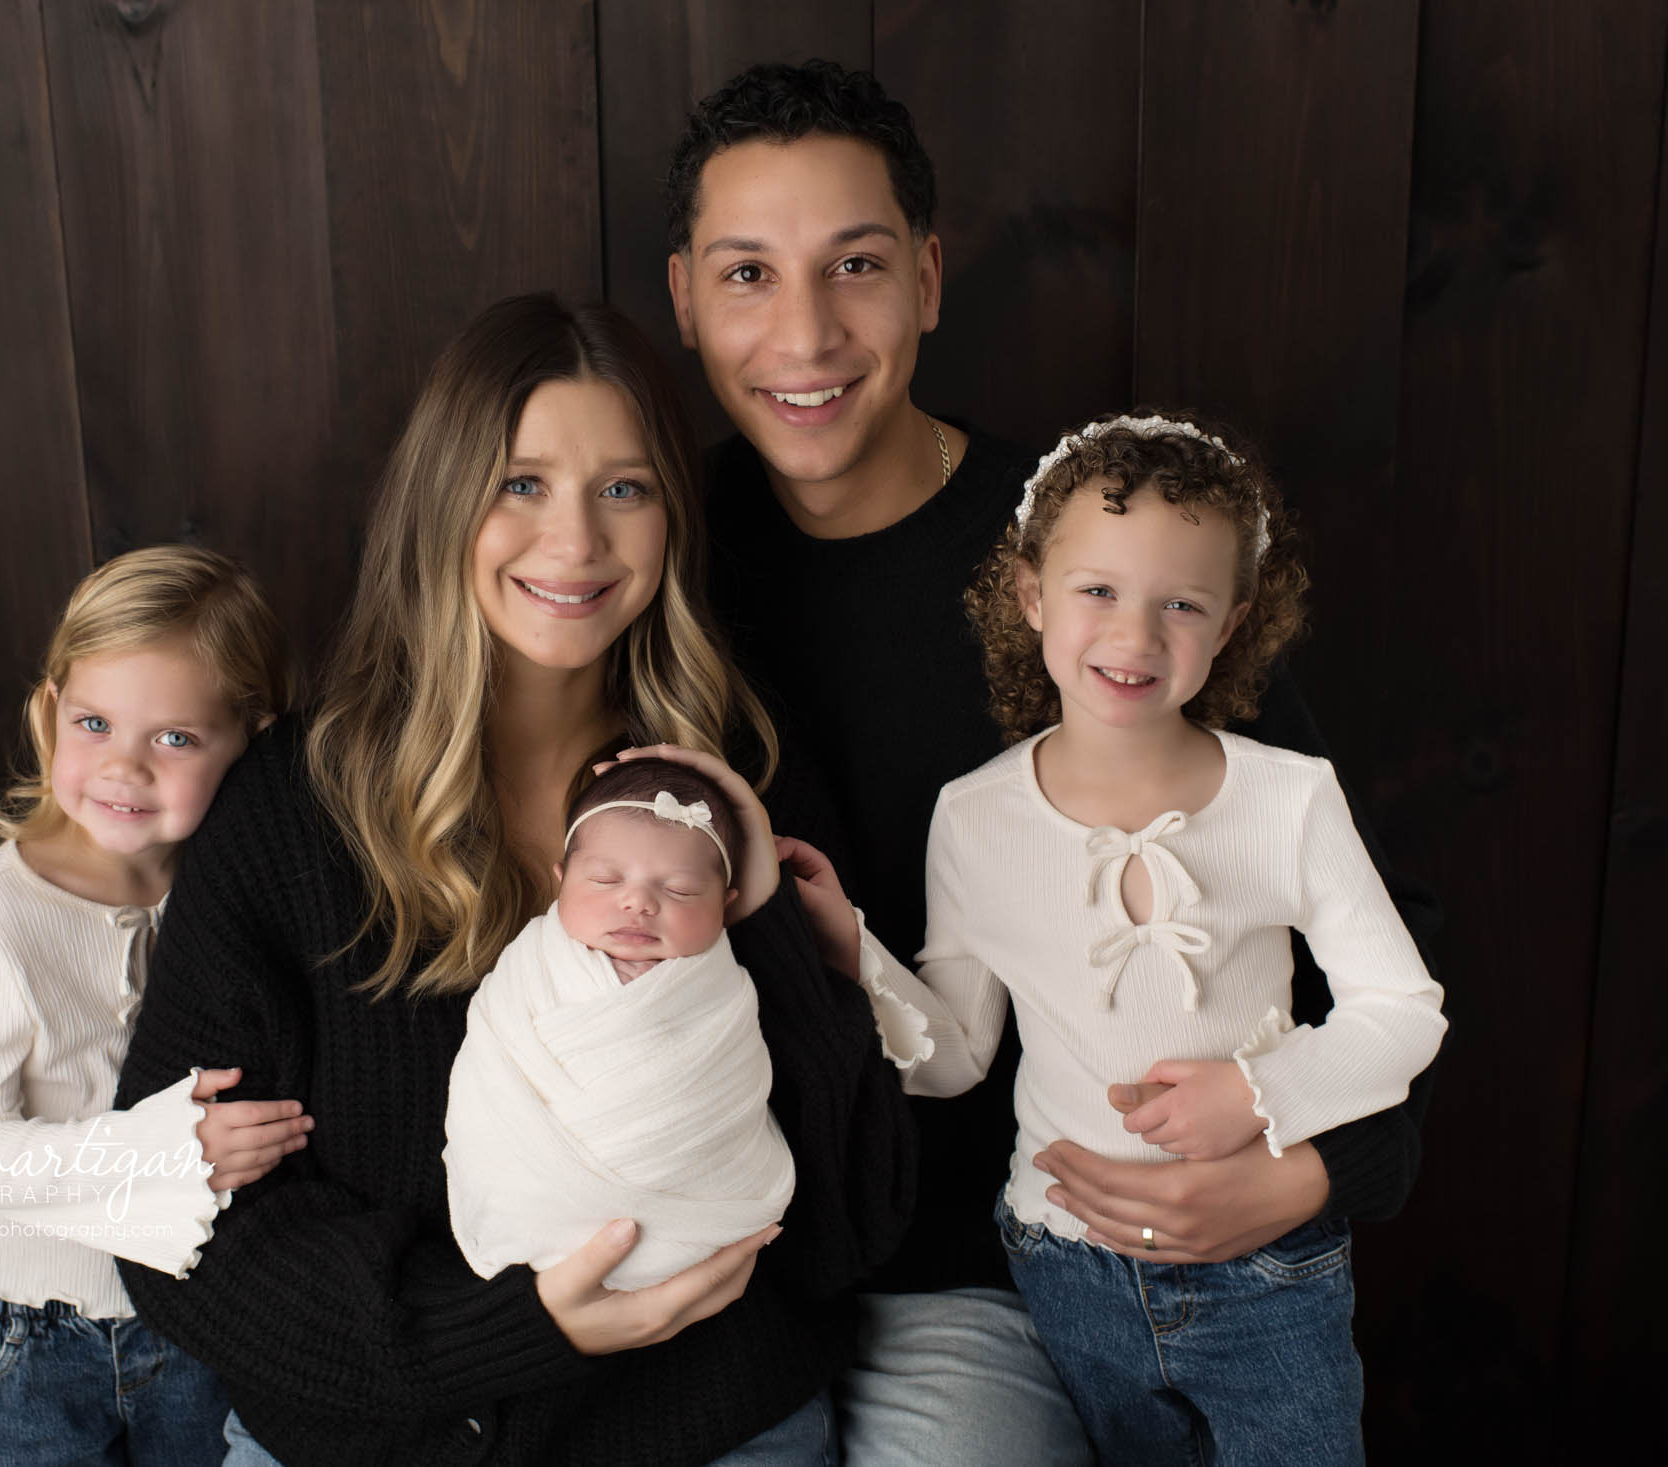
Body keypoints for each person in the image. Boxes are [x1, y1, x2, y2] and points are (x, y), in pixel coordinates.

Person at [664, 60, 1443, 1464]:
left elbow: (1369, 960)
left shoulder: (1100, 558)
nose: (805, 330)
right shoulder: (649, 559)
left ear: (931, 278)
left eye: (856, 265)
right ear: (683, 299)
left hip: (1021, 1260)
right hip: (727, 1249)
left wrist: (1317, 1171)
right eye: (746, 274)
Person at [113, 294, 915, 1467]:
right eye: (520, 484)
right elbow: (178, 1219)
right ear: (442, 505)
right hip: (377, 1433)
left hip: (699, 1430)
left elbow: (849, 1227)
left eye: (624, 488)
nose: (576, 542)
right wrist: (501, 1329)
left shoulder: (736, 786)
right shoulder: (293, 809)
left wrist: (785, 946)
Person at [859, 414, 1447, 1463]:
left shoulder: (1286, 799)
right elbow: (954, 1059)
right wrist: (847, 945)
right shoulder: (976, 817)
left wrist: (1260, 1097)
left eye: (1180, 604)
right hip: (1063, 1265)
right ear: (1031, 595)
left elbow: (1401, 1011)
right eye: (1096, 592)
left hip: (1270, 1272)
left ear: (1228, 625)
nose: (1133, 639)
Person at [0, 545, 311, 1466]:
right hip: (25, 1331)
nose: (124, 768)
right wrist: (169, 1153)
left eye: (174, 737)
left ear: (253, 737)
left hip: (195, 1310)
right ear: (50, 709)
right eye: (94, 722)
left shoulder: (235, 892)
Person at [444, 756, 796, 1293]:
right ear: (560, 882)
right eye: (605, 880)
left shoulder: (717, 989)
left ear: (726, 906)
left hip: (691, 1220)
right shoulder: (533, 968)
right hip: (533, 1211)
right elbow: (491, 1072)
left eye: (678, 890)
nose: (637, 901)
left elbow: (730, 1088)